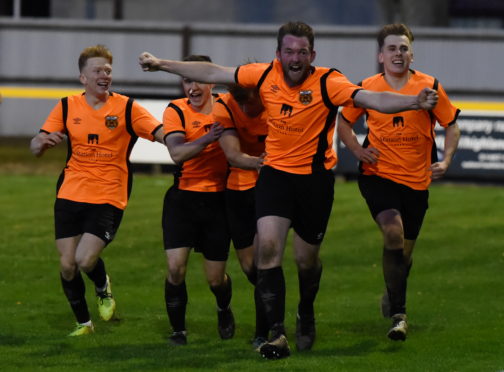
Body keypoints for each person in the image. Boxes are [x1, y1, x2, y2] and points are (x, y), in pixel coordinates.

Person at [138, 21, 438, 359]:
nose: (295, 58)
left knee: (305, 261)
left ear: (313, 54)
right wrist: (162, 64)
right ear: (278, 53)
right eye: (289, 51)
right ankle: (277, 334)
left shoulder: (328, 80)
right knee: (268, 249)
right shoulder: (264, 75)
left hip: (314, 182)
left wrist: (413, 102)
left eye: (302, 52)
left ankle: (305, 312)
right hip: (276, 176)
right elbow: (213, 71)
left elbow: (370, 97)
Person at [30, 44, 164, 336]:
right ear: (83, 78)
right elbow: (36, 144)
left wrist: (180, 139)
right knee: (67, 265)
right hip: (70, 192)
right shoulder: (67, 106)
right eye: (98, 70)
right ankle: (84, 323)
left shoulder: (127, 107)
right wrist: (42, 142)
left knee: (84, 259)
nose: (105, 75)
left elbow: (161, 132)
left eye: (108, 70)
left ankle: (103, 287)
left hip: (109, 194)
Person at [337, 23, 460, 341]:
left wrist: (445, 160)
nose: (398, 53)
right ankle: (399, 315)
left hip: (417, 181)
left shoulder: (429, 87)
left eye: (403, 48)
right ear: (381, 55)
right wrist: (355, 151)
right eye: (391, 48)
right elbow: (343, 122)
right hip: (378, 175)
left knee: (403, 253)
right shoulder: (366, 87)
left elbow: (452, 124)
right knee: (393, 232)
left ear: (411, 54)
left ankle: (391, 291)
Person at [161, 55, 234, 346]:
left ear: (212, 80)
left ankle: (223, 308)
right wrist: (208, 139)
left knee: (216, 280)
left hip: (218, 202)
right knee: (176, 269)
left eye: (199, 79)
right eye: (187, 79)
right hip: (183, 201)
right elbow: (177, 153)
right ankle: (179, 331)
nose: (192, 86)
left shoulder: (228, 109)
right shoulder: (175, 110)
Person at [213, 85, 268, 348]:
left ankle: (264, 332)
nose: (246, 109)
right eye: (241, 104)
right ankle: (271, 298)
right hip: (237, 189)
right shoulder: (224, 106)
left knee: (263, 262)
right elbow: (233, 155)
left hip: (269, 189)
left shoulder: (277, 101)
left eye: (250, 103)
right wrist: (260, 161)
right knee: (250, 268)